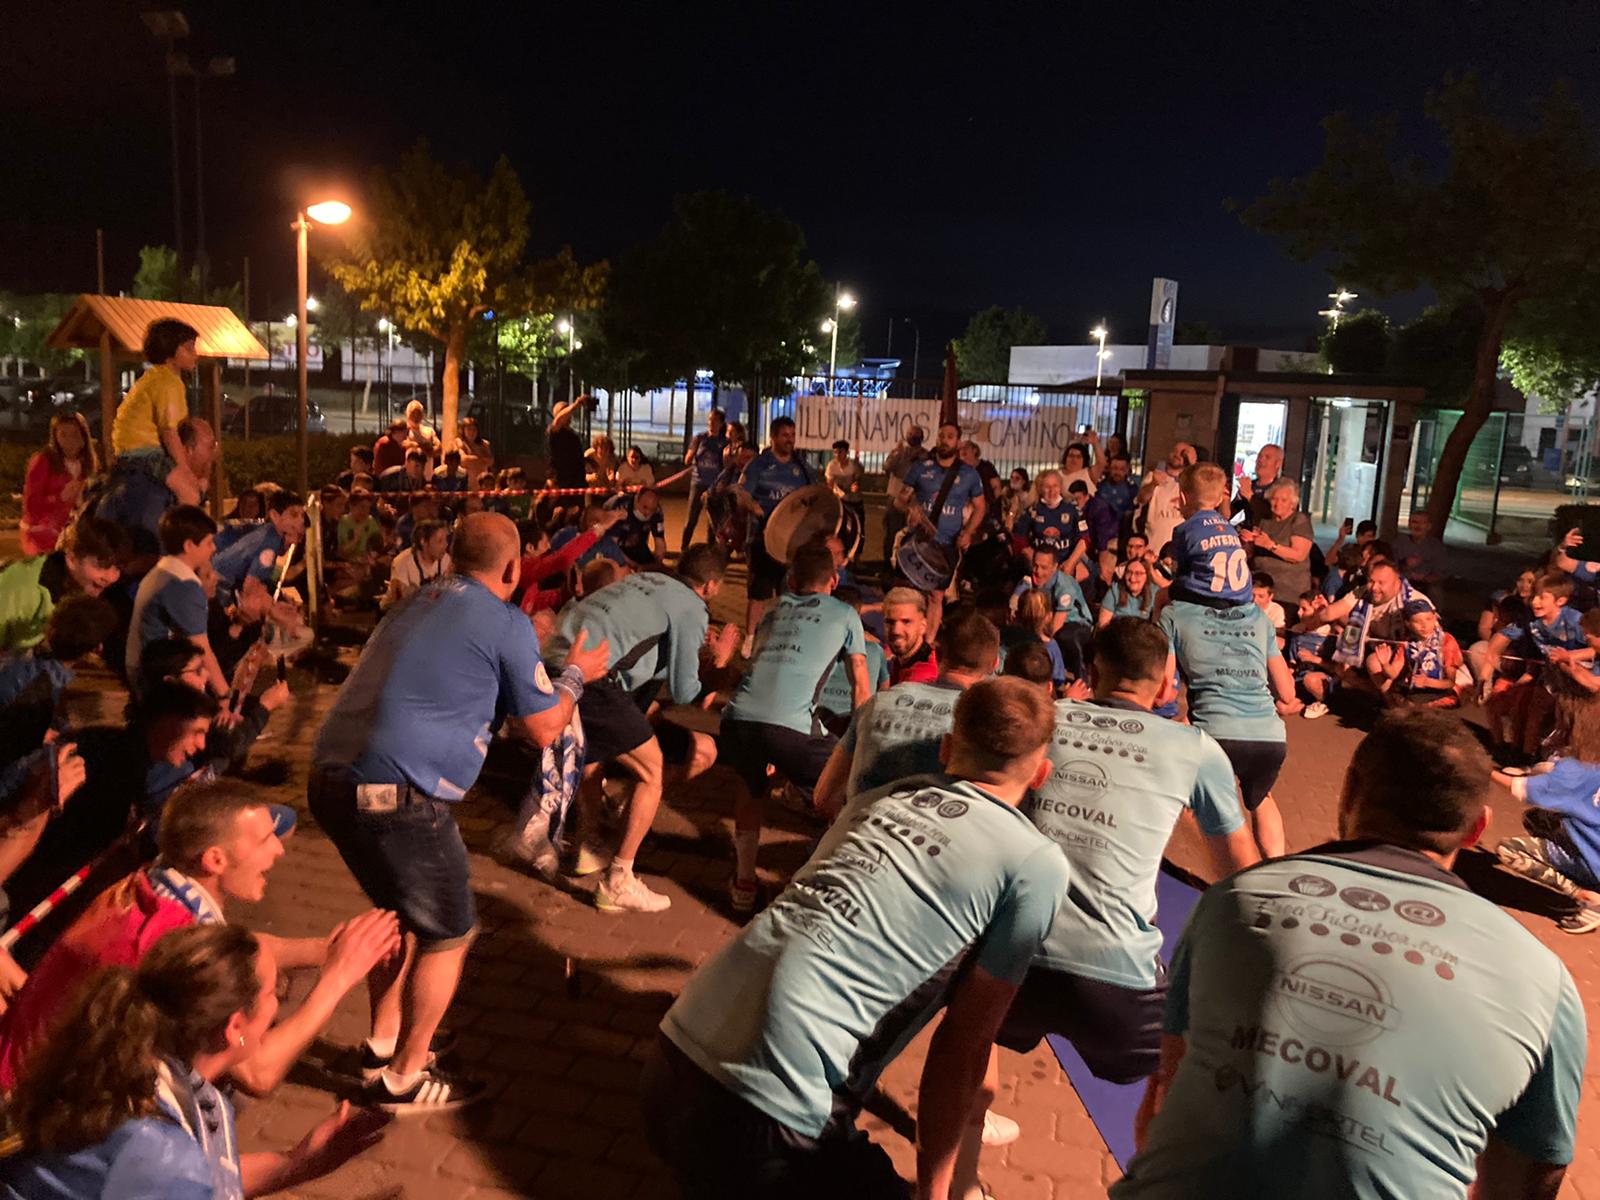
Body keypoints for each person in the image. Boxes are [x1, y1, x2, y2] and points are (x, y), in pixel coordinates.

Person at [1115, 709, 1587, 1200]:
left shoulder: (1235, 899)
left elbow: (1166, 1089)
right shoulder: (1541, 980)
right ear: (1475, 830)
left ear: (1347, 793)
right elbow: (1528, 1180)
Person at [642, 677, 1071, 1200]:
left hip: (670, 1059)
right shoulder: (1034, 863)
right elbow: (962, 1047)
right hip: (770, 1119)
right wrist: (937, 1192)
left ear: (946, 749)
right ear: (1042, 774)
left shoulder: (883, 796)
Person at [308, 512, 610, 1109]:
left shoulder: (418, 600)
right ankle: (406, 1075)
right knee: (449, 932)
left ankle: (383, 1042)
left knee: (396, 915)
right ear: (512, 566)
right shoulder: (505, 622)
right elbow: (545, 728)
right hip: (401, 794)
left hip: (329, 778)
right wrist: (577, 674)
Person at [974, 619, 1259, 1188]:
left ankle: (959, 1175)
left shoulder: (1044, 718)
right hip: (1118, 974)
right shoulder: (1194, 748)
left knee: (972, 1031)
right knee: (1176, 1072)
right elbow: (1240, 877)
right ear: (1165, 681)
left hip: (1014, 953)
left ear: (1094, 670)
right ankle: (1153, 1183)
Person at [0, 780, 400, 1095]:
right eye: (264, 840)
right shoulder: (172, 938)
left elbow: (234, 944)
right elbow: (257, 1072)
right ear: (214, 859)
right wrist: (338, 978)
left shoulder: (156, 885)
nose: (279, 851)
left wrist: (324, 951)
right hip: (34, 1118)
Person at [0, 924, 391, 1199]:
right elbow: (173, 1176)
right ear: (235, 1026)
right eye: (276, 991)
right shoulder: (157, 1146)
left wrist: (296, 1162)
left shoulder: (135, 1063)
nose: (279, 1001)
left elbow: (205, 1177)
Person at [540, 544, 726, 912]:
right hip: (591, 677)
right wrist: (716, 663)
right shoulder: (691, 606)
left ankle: (590, 844)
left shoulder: (643, 581)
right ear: (711, 586)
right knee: (652, 771)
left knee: (595, 752)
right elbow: (687, 691)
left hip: (549, 668)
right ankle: (618, 879)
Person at [720, 541, 871, 911]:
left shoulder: (771, 611)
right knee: (846, 793)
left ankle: (743, 883)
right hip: (791, 725)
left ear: (790, 579)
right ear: (834, 580)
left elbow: (763, 667)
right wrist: (862, 743)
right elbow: (860, 682)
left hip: (738, 719)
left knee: (750, 788)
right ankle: (832, 885)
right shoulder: (845, 613)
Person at [1162, 552, 1301, 858]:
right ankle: (1273, 868)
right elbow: (1288, 694)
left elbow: (1164, 691)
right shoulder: (1258, 617)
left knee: (1189, 800)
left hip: (1215, 732)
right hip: (1269, 736)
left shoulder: (1175, 614)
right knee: (1260, 797)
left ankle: (1228, 871)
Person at [812, 607, 1000, 819]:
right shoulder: (982, 724)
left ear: (936, 653)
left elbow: (824, 797)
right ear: (995, 663)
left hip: (856, 834)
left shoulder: (878, 702)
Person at [127, 504, 228, 697]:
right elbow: (200, 647)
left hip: (145, 668)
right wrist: (225, 696)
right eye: (208, 543)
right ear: (189, 545)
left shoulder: (163, 571)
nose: (214, 549)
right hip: (159, 676)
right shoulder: (182, 585)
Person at [734, 417, 816, 652]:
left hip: (791, 540)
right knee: (759, 591)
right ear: (773, 437)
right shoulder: (759, 465)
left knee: (789, 590)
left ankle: (782, 637)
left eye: (792, 435)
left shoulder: (801, 467)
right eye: (784, 435)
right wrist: (754, 507)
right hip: (761, 538)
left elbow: (813, 495)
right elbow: (742, 494)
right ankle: (750, 638)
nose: (790, 440)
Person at [109, 318, 206, 506]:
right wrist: (185, 469)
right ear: (170, 352)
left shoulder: (155, 377)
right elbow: (169, 432)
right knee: (190, 493)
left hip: (128, 451)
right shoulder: (168, 382)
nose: (195, 354)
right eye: (188, 348)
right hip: (146, 454)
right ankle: (183, 532)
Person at [0, 517, 125, 653]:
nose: (111, 577)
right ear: (71, 559)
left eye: (116, 567)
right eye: (101, 566)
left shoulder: (85, 584)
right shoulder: (24, 588)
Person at [1165, 462, 1252, 607]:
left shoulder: (1185, 529)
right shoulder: (1229, 529)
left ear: (1183, 498)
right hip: (1240, 596)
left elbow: (1178, 570)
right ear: (1219, 500)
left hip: (1208, 597)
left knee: (1165, 594)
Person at [21, 412, 98, 556]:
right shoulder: (43, 461)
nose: (70, 439)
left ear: (84, 437)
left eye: (74, 433)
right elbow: (31, 505)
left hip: (72, 533)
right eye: (63, 434)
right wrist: (59, 497)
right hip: (42, 536)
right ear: (55, 437)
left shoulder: (86, 465)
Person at [211, 490, 305, 606]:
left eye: (302, 515)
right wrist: (275, 606)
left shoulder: (265, 533)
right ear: (275, 516)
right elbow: (251, 588)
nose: (301, 521)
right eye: (294, 515)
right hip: (218, 589)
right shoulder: (270, 544)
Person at [1378, 599, 1468, 709]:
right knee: (1402, 699)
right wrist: (1385, 664)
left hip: (1440, 692)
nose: (1424, 625)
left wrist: (1427, 682)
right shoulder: (1407, 644)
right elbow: (1392, 674)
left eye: (1428, 619)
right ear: (1408, 624)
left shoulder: (1446, 641)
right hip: (1416, 692)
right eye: (1417, 622)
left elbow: (1450, 682)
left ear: (1435, 618)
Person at [1241, 478, 1315, 602]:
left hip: (1288, 593)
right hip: (1259, 590)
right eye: (1274, 499)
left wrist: (1270, 545)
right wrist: (1247, 542)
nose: (1277, 504)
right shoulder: (1265, 521)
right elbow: (1251, 552)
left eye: (1284, 500)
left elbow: (1298, 555)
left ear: (1293, 503)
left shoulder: (1298, 520)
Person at [1014, 470, 1087, 578]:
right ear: (1040, 488)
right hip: (1038, 564)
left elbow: (1085, 539)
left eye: (1055, 486)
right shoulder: (1032, 510)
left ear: (1061, 487)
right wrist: (1037, 562)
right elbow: (1020, 540)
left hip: (1066, 562)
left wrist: (1070, 563)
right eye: (1047, 487)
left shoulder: (1073, 509)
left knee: (1084, 574)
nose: (1051, 491)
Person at [1136, 441, 1196, 562]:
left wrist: (1192, 464)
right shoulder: (1154, 475)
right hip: (1152, 546)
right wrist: (1153, 483)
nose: (1177, 455)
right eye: (1175, 451)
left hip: (1176, 551)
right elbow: (1141, 499)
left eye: (1183, 453)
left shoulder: (1190, 483)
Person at [680, 408, 731, 550]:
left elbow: (727, 465)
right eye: (709, 420)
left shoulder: (725, 442)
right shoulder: (700, 438)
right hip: (698, 483)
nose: (711, 423)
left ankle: (710, 552)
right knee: (691, 519)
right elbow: (687, 459)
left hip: (714, 487)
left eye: (715, 420)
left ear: (721, 423)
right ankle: (683, 549)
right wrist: (695, 453)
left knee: (712, 523)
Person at [880, 424, 928, 560]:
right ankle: (887, 565)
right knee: (891, 534)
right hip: (895, 499)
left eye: (915, 435)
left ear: (921, 438)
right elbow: (887, 467)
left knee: (909, 535)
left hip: (913, 503)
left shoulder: (925, 455)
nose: (912, 437)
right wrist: (897, 453)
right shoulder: (900, 452)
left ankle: (904, 566)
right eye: (910, 434)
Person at [383, 518, 451, 610]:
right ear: (423, 541)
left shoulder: (446, 560)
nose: (445, 545)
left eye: (445, 540)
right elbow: (401, 600)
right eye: (439, 541)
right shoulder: (403, 562)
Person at [883, 586, 938, 684]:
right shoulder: (900, 661)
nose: (896, 631)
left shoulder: (926, 676)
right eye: (890, 622)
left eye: (906, 622)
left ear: (923, 626)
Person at [603, 486, 668, 567]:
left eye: (652, 510)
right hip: (611, 549)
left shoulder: (657, 512)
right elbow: (612, 546)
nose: (647, 513)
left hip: (638, 547)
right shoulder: (619, 506)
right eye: (645, 507)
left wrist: (656, 565)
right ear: (637, 500)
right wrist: (634, 566)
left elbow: (660, 543)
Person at [1390, 508, 1449, 594]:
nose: (1418, 526)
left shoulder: (1436, 546)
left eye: (1422, 523)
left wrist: (1424, 578)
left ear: (1429, 526)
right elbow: (1390, 564)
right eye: (1414, 522)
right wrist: (1405, 564)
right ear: (1409, 525)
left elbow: (1442, 572)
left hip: (1427, 583)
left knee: (1435, 591)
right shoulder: (1399, 542)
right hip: (1402, 580)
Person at [1228, 442, 1283, 528]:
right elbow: (1230, 512)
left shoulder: (1282, 489)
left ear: (1278, 463)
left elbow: (1270, 516)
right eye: (1259, 456)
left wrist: (1249, 496)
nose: (1261, 460)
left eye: (1267, 457)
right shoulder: (1251, 485)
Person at [547, 396, 592, 492]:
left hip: (577, 480)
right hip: (560, 479)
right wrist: (576, 404)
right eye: (564, 411)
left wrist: (588, 462)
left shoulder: (573, 436)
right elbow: (558, 421)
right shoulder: (554, 431)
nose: (568, 414)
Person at [1099, 555, 1158, 625]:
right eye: (1129, 572)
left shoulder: (1155, 592)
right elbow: (1103, 624)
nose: (1132, 578)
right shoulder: (1115, 590)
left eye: (1138, 574)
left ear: (1147, 575)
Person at [826, 438, 865, 526]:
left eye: (840, 452)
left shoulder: (854, 465)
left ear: (846, 452)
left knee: (858, 525)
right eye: (835, 452)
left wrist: (855, 485)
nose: (837, 455)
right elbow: (830, 484)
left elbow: (858, 481)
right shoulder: (831, 466)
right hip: (840, 501)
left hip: (854, 501)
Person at [452, 414, 494, 487]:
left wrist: (473, 460)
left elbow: (490, 461)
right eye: (469, 429)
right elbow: (463, 460)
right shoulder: (459, 442)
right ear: (463, 430)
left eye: (474, 429)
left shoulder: (484, 444)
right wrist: (481, 459)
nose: (472, 432)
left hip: (483, 482)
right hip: (466, 481)